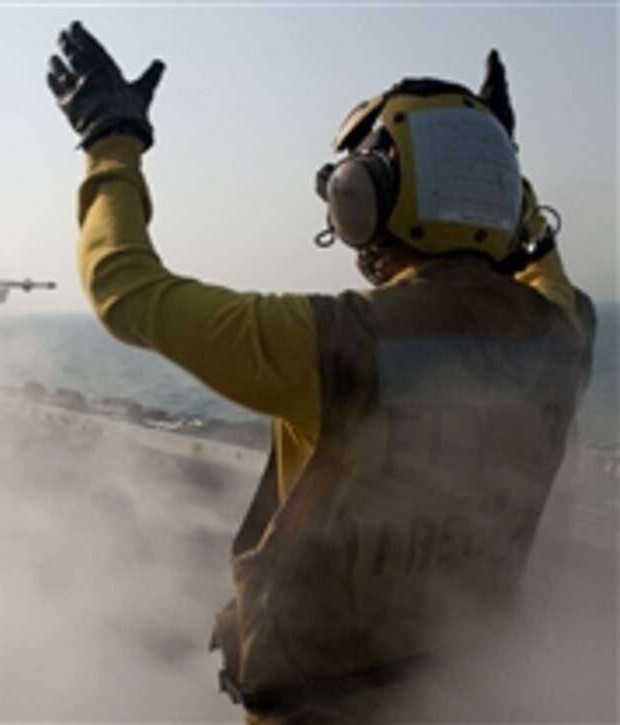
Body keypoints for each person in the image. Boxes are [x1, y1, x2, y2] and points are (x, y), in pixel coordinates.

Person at [47, 22, 595, 723]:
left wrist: (110, 139)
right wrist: (498, 169)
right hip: (474, 698)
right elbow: (539, 259)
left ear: (360, 197)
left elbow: (125, 289)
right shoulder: (564, 332)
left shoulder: (333, 342)